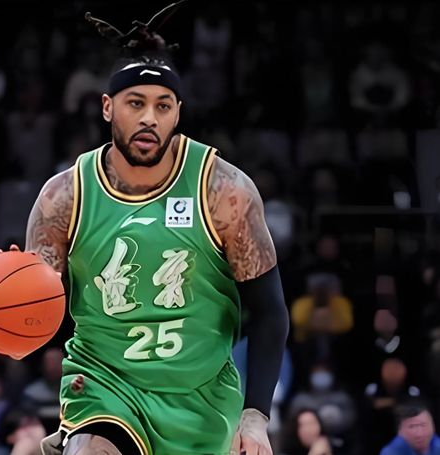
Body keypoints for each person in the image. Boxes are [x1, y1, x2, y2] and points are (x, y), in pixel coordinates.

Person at [21, 7, 289, 455]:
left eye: (162, 106)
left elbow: (270, 312)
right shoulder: (63, 198)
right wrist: (15, 293)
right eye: (135, 103)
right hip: (105, 385)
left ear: (177, 113)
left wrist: (256, 416)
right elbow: (35, 311)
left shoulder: (224, 191)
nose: (149, 117)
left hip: (201, 396)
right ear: (107, 107)